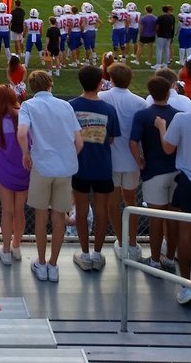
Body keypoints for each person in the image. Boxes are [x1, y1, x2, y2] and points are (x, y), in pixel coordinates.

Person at [18, 70, 83, 283]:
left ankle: (42, 261)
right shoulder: (66, 106)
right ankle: (53, 265)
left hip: (42, 167)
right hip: (64, 168)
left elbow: (22, 132)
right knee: (59, 219)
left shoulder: (28, 106)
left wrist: (26, 154)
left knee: (40, 217)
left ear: (31, 87)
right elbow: (79, 143)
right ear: (50, 85)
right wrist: (66, 156)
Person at [69, 65, 120, 272]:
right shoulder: (109, 109)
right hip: (102, 166)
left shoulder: (71, 106)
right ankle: (97, 254)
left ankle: (85, 253)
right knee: (101, 212)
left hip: (80, 166)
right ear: (101, 83)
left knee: (81, 212)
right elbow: (110, 139)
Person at [130, 76, 179, 272]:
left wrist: (140, 162)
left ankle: (156, 260)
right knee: (173, 219)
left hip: (153, 173)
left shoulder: (142, 115)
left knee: (155, 220)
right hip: (175, 172)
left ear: (150, 93)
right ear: (168, 93)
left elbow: (133, 142)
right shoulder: (177, 114)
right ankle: (169, 258)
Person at [98, 61, 146, 260]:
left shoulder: (102, 97)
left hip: (111, 160)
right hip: (132, 160)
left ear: (111, 78)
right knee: (131, 202)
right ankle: (132, 244)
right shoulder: (140, 102)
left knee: (112, 204)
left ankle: (122, 241)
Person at [0, 84, 29, 265]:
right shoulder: (25, 117)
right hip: (24, 172)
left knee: (7, 212)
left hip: (5, 174)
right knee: (19, 211)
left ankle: (6, 251)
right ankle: (16, 246)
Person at [157, 105, 191, 304]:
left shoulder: (182, 119)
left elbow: (168, 147)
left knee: (186, 232)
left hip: (187, 180)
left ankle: (186, 285)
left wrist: (162, 127)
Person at [155, 5, 175, 69]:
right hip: (168, 35)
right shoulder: (171, 18)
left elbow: (157, 26)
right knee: (167, 49)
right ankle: (165, 64)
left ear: (162, 10)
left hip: (161, 35)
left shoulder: (160, 17)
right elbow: (172, 27)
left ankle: (158, 64)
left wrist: (156, 32)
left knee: (159, 50)